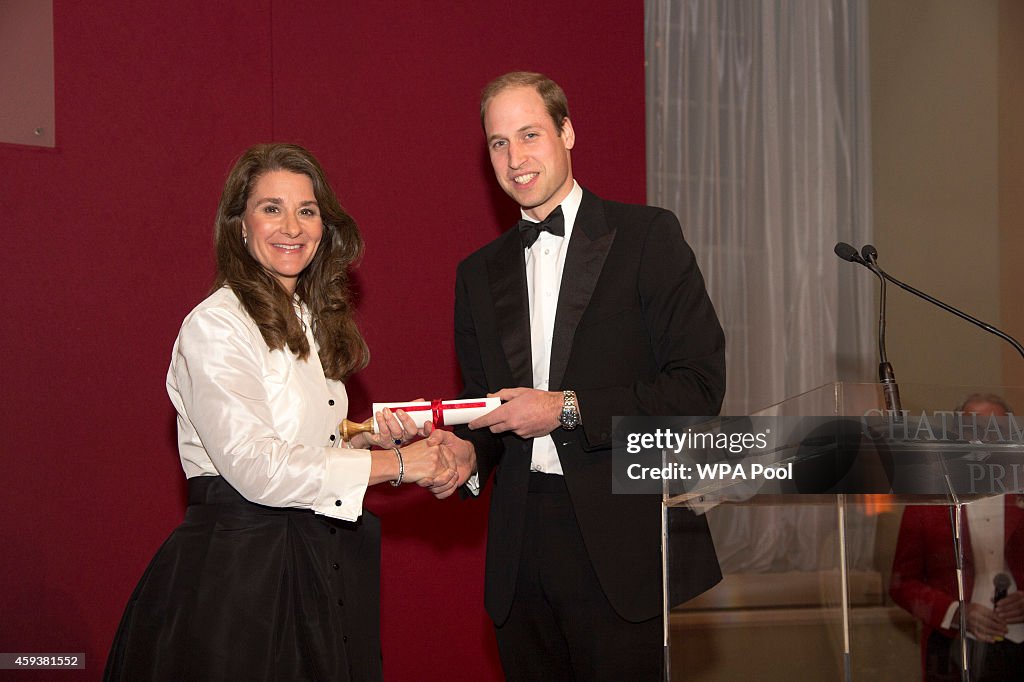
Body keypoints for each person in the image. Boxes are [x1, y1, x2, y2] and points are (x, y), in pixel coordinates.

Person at [104, 143, 456, 682]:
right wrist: (401, 467)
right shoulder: (216, 326)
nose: (292, 226)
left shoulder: (312, 319)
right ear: (239, 226)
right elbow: (258, 467)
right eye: (271, 208)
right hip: (243, 581)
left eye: (307, 211)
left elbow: (296, 447)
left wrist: (358, 447)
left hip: (316, 562)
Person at [428, 72, 726, 680]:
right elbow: (488, 410)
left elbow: (697, 388)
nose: (516, 158)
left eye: (530, 134)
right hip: (521, 550)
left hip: (627, 540)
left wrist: (566, 408)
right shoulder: (477, 275)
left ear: (567, 132)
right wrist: (461, 453)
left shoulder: (648, 237)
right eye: (498, 143)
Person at [890, 393, 1024, 681]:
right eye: (971, 430)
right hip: (951, 649)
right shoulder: (929, 499)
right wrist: (955, 612)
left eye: (994, 430)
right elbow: (901, 584)